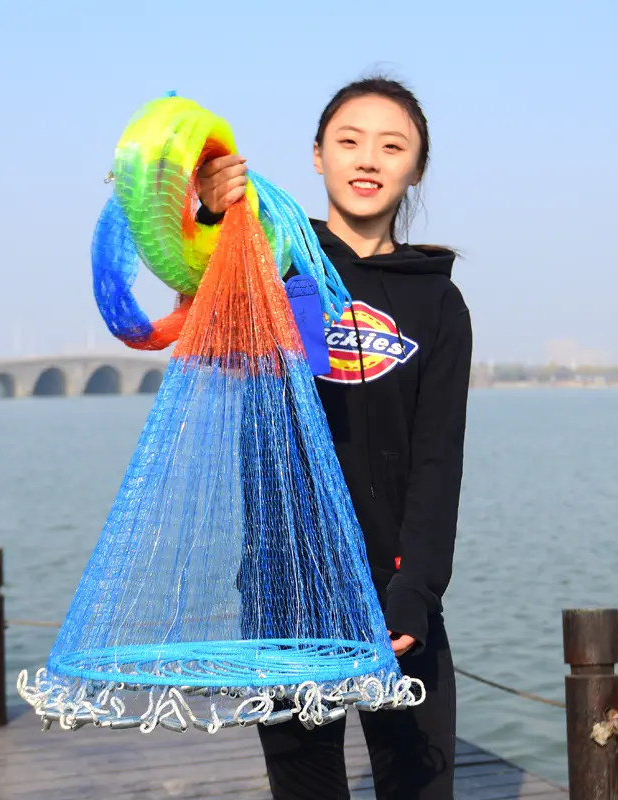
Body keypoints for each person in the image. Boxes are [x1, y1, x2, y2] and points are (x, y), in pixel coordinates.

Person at [195, 76, 472, 800]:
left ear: (415, 167)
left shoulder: (438, 301)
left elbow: (439, 460)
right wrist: (206, 216)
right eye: (348, 141)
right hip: (284, 586)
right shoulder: (268, 266)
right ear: (316, 156)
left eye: (393, 145)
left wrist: (417, 590)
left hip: (398, 592)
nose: (368, 158)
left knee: (420, 788)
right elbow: (197, 316)